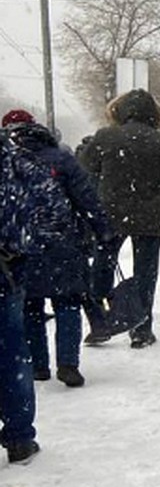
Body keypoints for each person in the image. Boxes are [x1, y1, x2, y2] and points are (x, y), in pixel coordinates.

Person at [78, 89, 160, 349]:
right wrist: (159, 175)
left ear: (120, 111)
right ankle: (141, 329)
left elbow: (85, 166)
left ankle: (101, 322)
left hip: (110, 215)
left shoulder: (106, 137)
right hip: (150, 218)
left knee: (102, 266)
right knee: (146, 272)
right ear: (155, 115)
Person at [3, 109, 110, 387]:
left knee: (31, 307)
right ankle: (68, 364)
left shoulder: (7, 162)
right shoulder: (61, 158)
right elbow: (86, 198)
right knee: (68, 303)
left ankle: (38, 366)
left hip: (22, 245)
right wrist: (103, 230)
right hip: (63, 241)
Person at [0, 133, 39, 465]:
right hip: (4, 272)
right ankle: (20, 436)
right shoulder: (10, 158)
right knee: (11, 354)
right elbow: (20, 214)